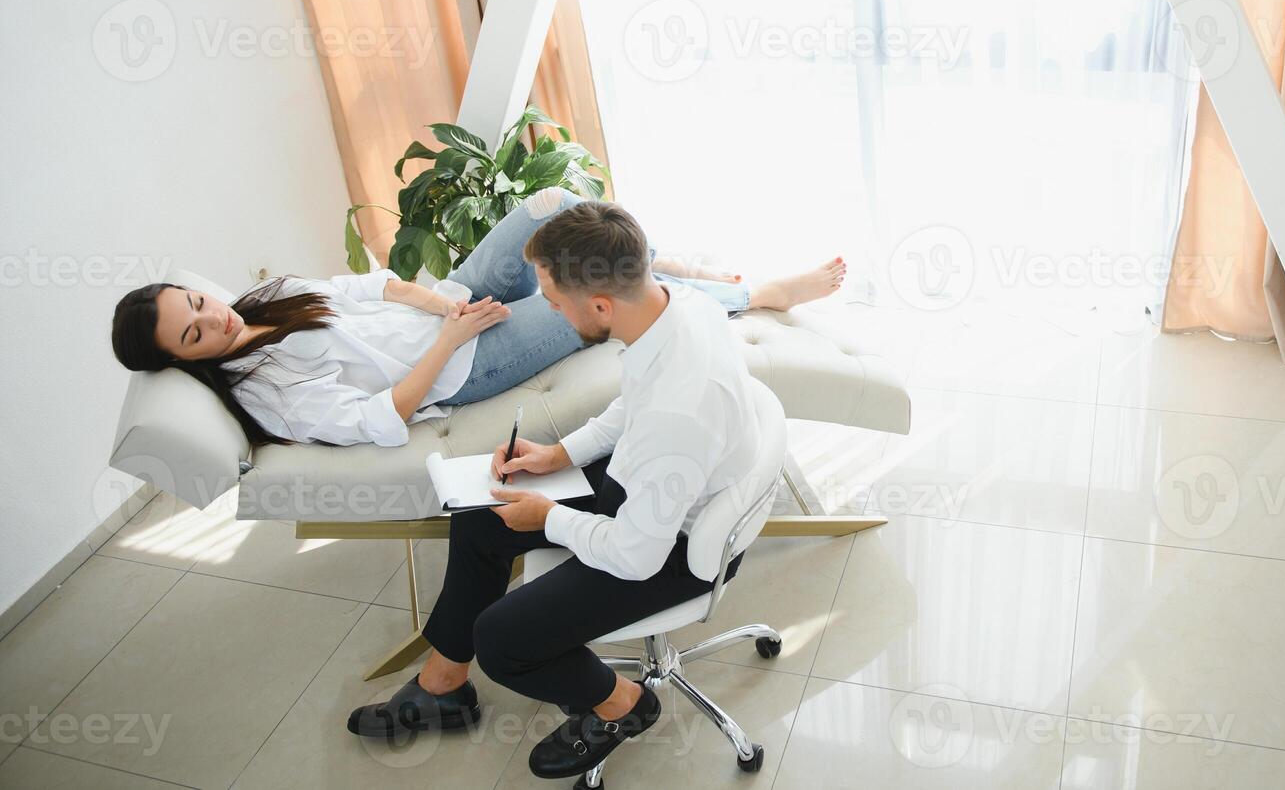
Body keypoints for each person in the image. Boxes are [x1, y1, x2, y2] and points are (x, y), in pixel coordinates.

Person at [345, 199, 767, 780]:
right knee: (481, 512)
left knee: (502, 642)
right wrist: (558, 455)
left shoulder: (681, 412)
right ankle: (444, 686)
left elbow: (636, 555)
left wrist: (546, 518)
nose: (545, 308)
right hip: (654, 489)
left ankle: (625, 705)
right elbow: (631, 405)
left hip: (671, 548)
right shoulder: (676, 307)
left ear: (599, 303)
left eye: (551, 300)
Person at [110, 187, 845, 447]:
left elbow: (371, 289)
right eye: (195, 332)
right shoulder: (268, 390)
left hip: (452, 306)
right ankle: (757, 296)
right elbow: (378, 417)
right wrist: (453, 338)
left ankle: (673, 263)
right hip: (467, 362)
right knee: (607, 300)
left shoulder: (261, 304)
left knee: (554, 205)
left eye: (198, 302)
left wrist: (445, 301)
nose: (215, 320)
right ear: (184, 359)